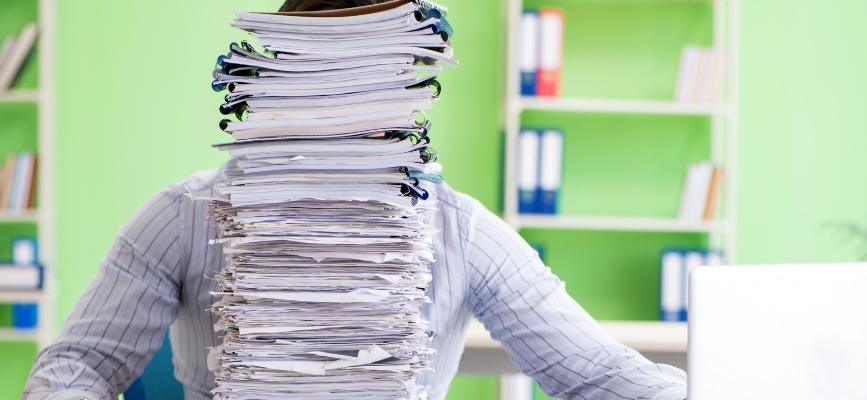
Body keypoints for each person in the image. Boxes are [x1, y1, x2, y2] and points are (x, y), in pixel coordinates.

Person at [23, 1, 688, 399]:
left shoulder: (461, 230)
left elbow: (597, 376)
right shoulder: (181, 217)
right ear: (274, 94)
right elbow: (78, 363)